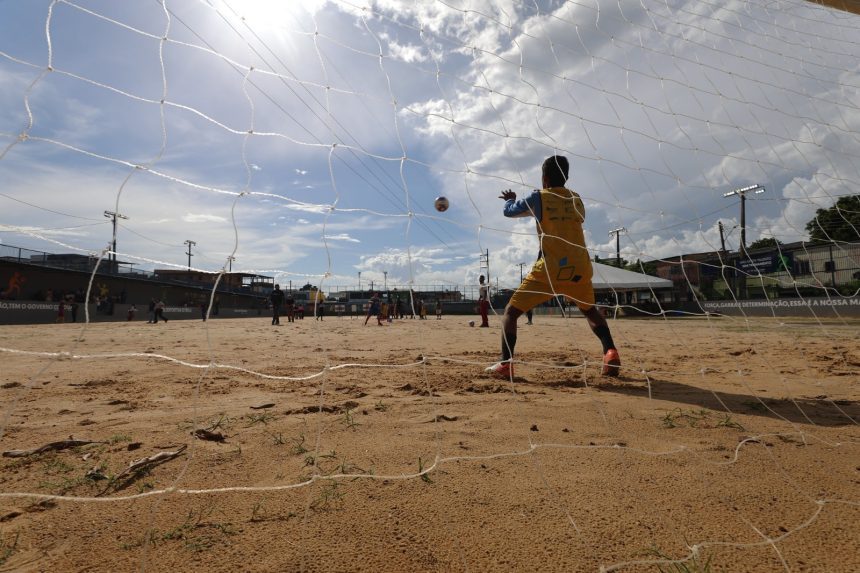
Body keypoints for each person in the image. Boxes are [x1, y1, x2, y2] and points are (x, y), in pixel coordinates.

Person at [486, 155, 621, 379]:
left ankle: (505, 364)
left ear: (545, 179)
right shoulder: (576, 198)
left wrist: (510, 199)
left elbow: (509, 212)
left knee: (511, 312)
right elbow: (579, 218)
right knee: (590, 310)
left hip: (551, 268)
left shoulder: (539, 196)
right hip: (580, 266)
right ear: (566, 177)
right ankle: (610, 352)